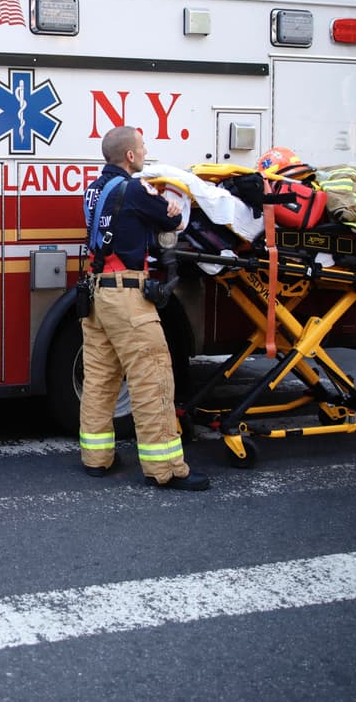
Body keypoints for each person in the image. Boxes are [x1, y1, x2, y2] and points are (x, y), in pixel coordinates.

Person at [78, 125, 209, 491]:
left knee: (100, 378)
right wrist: (170, 202)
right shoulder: (135, 188)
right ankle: (165, 468)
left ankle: (96, 458)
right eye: (143, 147)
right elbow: (173, 221)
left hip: (97, 293)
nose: (147, 151)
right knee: (152, 378)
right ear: (131, 156)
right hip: (126, 296)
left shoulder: (92, 190)